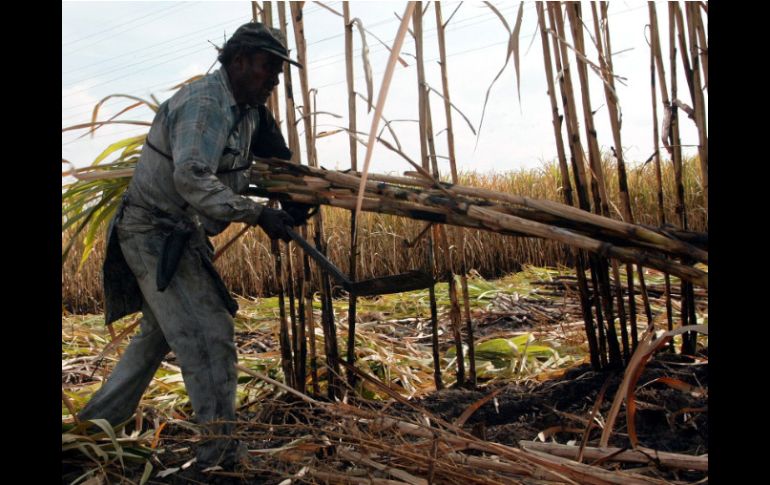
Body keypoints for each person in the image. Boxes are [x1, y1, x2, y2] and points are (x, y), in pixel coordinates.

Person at [78, 21, 302, 476]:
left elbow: (276, 159)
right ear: (238, 62)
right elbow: (191, 176)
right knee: (207, 336)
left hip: (182, 232)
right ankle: (219, 457)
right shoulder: (205, 104)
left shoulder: (249, 107)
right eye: (267, 70)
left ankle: (90, 431)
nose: (274, 81)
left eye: (279, 73)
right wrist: (258, 213)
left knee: (155, 339)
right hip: (154, 232)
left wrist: (297, 197)